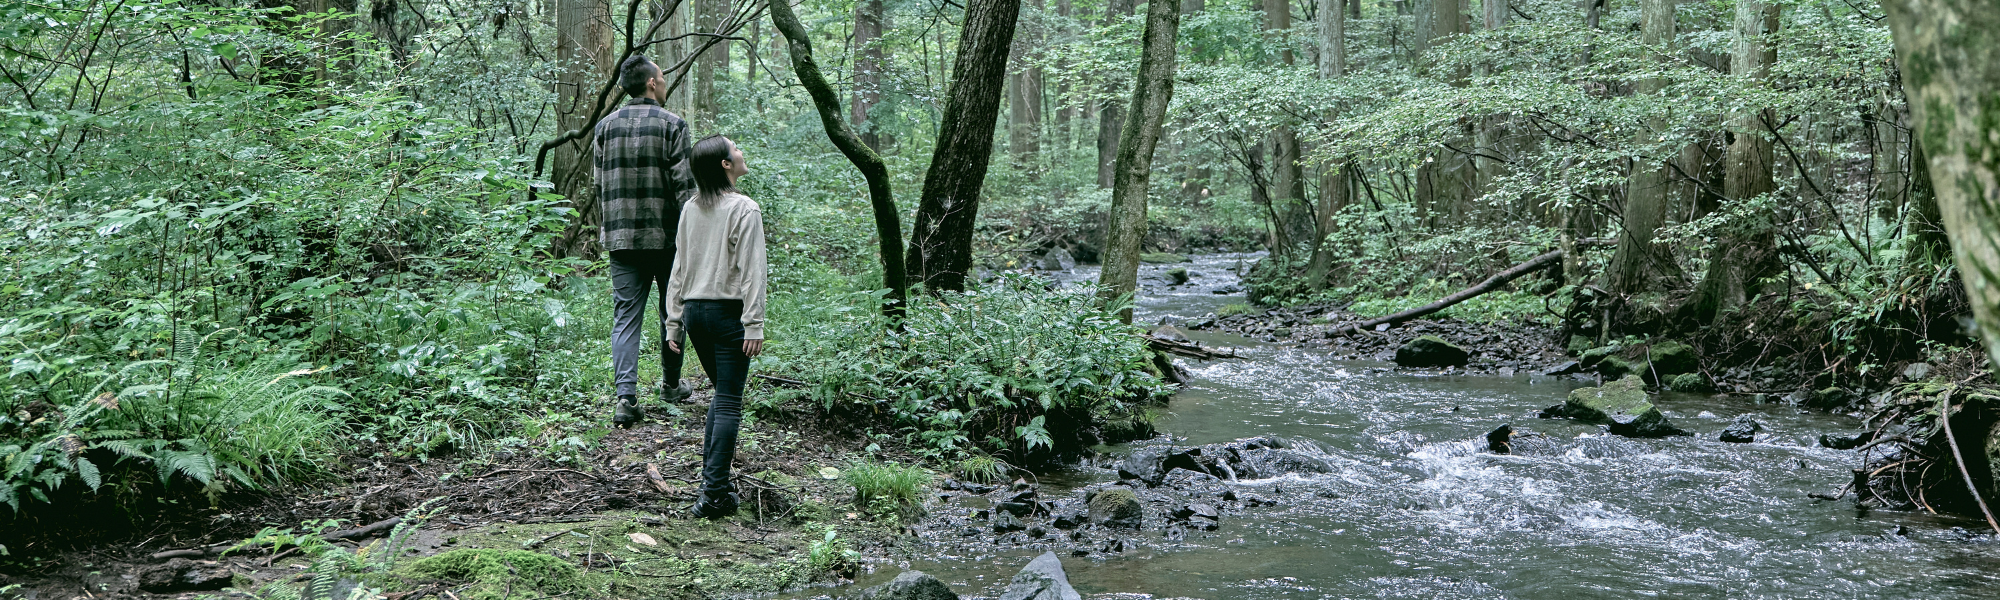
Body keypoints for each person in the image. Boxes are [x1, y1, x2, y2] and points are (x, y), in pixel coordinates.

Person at [664, 135, 767, 519]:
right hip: (727, 315)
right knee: (728, 402)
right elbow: (753, 271)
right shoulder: (745, 208)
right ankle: (715, 493)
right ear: (726, 164)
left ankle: (712, 485)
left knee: (722, 395)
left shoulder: (691, 207)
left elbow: (679, 269)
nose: (741, 151)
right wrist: (753, 323)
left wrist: (674, 322)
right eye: (736, 148)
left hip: (694, 314)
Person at [596, 54, 698, 428]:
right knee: (672, 311)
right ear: (652, 83)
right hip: (667, 238)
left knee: (625, 317)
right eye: (663, 76)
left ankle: (626, 398)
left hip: (621, 240)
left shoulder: (604, 127)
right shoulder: (673, 125)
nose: (665, 81)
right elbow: (685, 190)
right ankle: (671, 386)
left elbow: (598, 185)